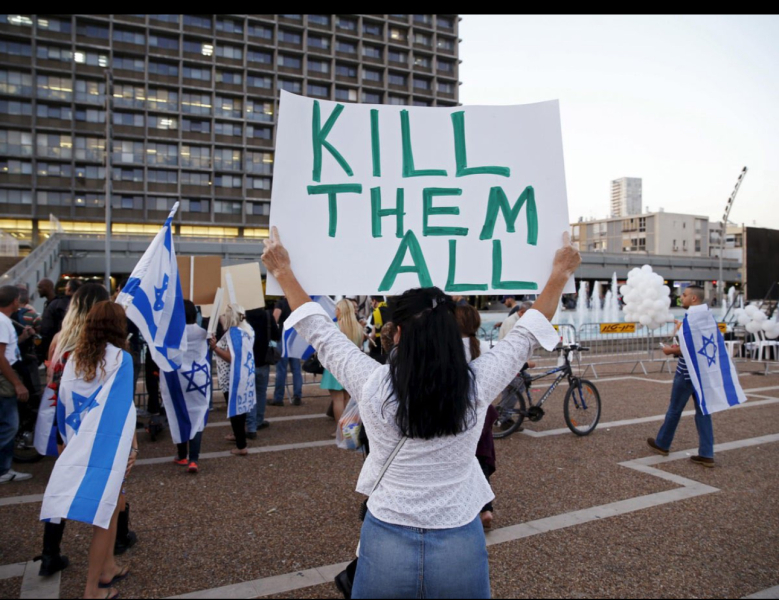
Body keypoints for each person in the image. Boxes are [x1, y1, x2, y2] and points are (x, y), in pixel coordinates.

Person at [262, 227, 580, 598]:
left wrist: (283, 271)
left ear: (396, 335)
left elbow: (319, 330)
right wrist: (559, 274)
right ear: (451, 332)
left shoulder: (372, 382)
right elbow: (527, 332)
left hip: (386, 533)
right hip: (459, 531)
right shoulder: (476, 383)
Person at [40, 301, 137, 600]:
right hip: (107, 445)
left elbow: (65, 403)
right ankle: (92, 589)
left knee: (112, 508)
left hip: (78, 441)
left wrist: (69, 442)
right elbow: (123, 408)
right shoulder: (121, 358)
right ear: (119, 326)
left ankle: (107, 566)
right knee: (106, 515)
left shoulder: (74, 357)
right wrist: (132, 447)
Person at [648, 285, 716, 467]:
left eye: (684, 295)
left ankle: (663, 443)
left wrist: (670, 350)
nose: (681, 298)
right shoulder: (708, 316)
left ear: (694, 298)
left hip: (687, 373)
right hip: (703, 372)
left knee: (674, 410)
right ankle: (707, 453)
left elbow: (688, 347)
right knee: (703, 412)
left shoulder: (691, 319)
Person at [455, 304, 500, 529]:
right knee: (482, 457)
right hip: (484, 410)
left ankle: (471, 506)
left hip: (459, 410)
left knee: (463, 459)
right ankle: (486, 507)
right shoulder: (483, 346)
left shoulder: (448, 348)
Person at [161, 301, 210, 474]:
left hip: (176, 380)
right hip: (199, 378)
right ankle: (194, 460)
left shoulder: (172, 334)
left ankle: (181, 455)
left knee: (178, 412)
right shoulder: (204, 333)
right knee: (197, 414)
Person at [210, 305, 257, 456]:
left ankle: (241, 445)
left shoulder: (233, 333)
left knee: (236, 413)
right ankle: (239, 436)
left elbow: (231, 357)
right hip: (245, 375)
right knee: (241, 410)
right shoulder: (247, 330)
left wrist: (215, 349)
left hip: (232, 377)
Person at [0, 285, 34, 485]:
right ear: (15, 301)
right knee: (9, 424)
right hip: (5, 377)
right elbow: (1, 356)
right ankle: (3, 469)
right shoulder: (3, 322)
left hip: (5, 374)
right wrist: (17, 383)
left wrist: (22, 337)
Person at [322, 299, 365, 432]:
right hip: (351, 366)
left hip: (335, 366)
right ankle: (348, 429)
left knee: (337, 400)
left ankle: (340, 431)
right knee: (346, 399)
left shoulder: (334, 327)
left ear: (340, 311)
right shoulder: (358, 328)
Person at [244, 307, 280, 439]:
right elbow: (276, 335)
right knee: (260, 392)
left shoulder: (243, 314)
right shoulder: (267, 314)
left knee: (249, 394)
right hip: (264, 359)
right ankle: (259, 420)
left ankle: (251, 426)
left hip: (247, 361)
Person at [38, 278, 81, 361]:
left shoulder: (56, 304)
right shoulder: (85, 304)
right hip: (78, 347)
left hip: (59, 347)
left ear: (69, 289)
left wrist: (45, 351)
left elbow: (46, 329)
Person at [271, 297, 303, 406]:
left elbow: (274, 319)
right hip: (295, 338)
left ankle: (278, 398)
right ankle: (297, 396)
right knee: (296, 369)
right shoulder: (297, 302)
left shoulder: (281, 303)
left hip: (283, 338)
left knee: (281, 370)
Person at [367, 296, 389, 361]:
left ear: (374, 301)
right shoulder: (390, 308)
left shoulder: (377, 312)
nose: (371, 305)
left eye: (371, 303)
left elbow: (374, 334)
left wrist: (369, 345)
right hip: (390, 347)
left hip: (379, 349)